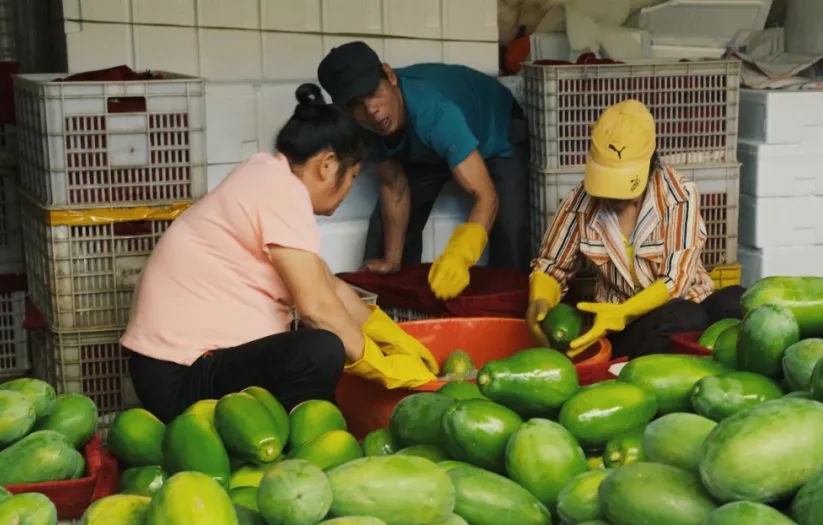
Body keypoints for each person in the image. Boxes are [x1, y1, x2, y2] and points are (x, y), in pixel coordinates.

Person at [121, 84, 438, 422]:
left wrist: (393, 338)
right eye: (353, 177)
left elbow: (328, 287)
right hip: (181, 377)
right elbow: (318, 310)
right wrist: (382, 367)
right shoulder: (280, 189)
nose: (348, 190)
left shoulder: (267, 173)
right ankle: (275, 446)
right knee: (321, 351)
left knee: (325, 354)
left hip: (186, 368)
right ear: (328, 165)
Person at [526, 99, 743, 359]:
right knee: (684, 318)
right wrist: (540, 299)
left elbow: (677, 280)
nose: (613, 195)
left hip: (688, 302)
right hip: (625, 327)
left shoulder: (678, 195)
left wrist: (625, 311)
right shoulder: (579, 203)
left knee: (736, 301)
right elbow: (552, 266)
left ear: (651, 164)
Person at [317, 41, 531, 300]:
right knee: (385, 231)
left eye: (374, 92)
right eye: (355, 104)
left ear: (390, 75)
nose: (371, 111)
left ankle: (504, 314)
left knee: (510, 228)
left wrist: (461, 254)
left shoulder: (435, 112)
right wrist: (391, 260)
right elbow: (393, 185)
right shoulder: (364, 124)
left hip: (495, 126)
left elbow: (486, 196)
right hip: (431, 144)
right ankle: (393, 310)